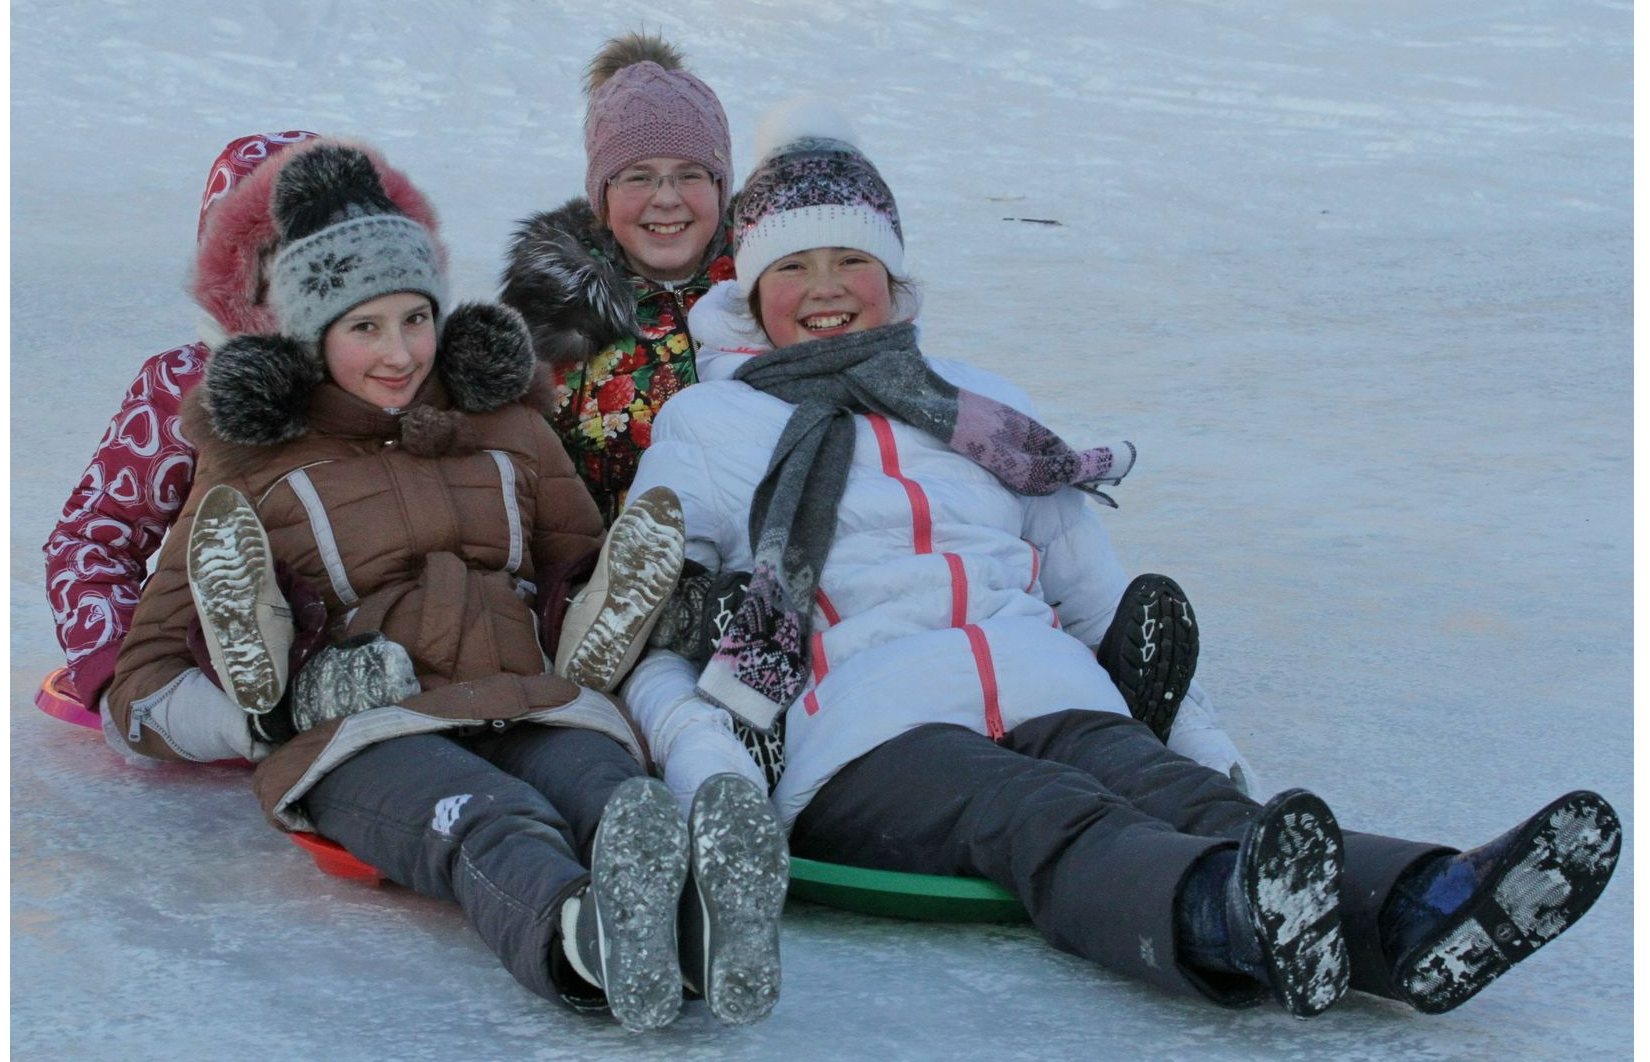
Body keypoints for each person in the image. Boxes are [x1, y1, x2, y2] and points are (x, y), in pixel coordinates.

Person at [617, 105, 1623, 1018]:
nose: (827, 289)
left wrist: (1218, 752)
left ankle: (1422, 910)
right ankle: (1219, 923)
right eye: (794, 266)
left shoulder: (980, 404)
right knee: (1041, 813)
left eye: (853, 260)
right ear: (753, 290)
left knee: (1190, 800)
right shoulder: (716, 423)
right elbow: (648, 632)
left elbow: (1090, 597)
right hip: (867, 736)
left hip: (1044, 683)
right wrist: (717, 780)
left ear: (896, 273)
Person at [103, 141, 788, 1031]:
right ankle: (588, 939)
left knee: (613, 793)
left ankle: (702, 932)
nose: (400, 353)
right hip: (367, 728)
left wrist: (618, 604)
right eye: (364, 327)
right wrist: (270, 719)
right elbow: (142, 681)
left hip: (532, 692)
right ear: (312, 335)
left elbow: (569, 556)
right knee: (497, 822)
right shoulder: (251, 460)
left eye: (416, 318)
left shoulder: (506, 423)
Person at [500, 31, 736, 525]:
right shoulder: (548, 310)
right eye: (638, 176)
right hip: (603, 577)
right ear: (602, 195)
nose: (666, 198)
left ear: (721, 186)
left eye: (690, 174)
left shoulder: (770, 288)